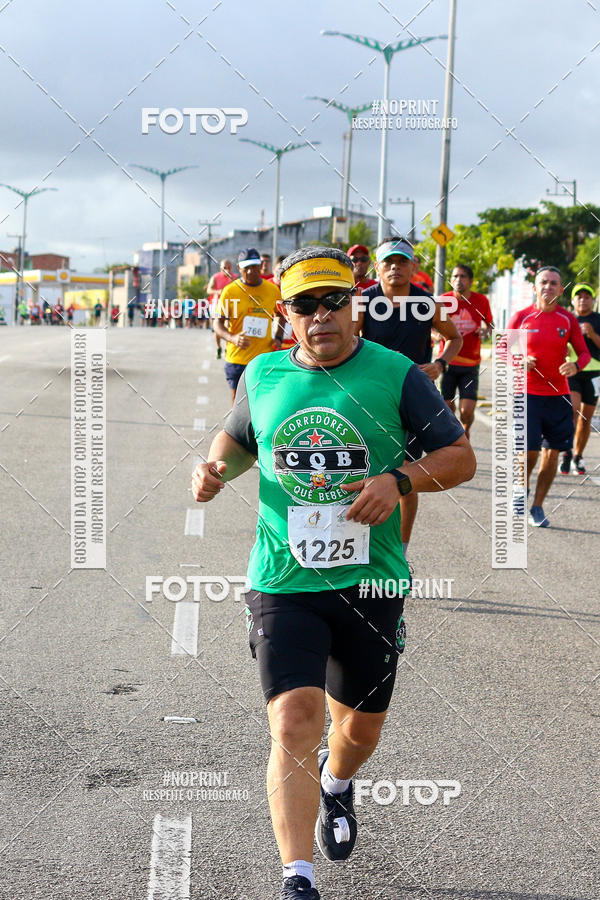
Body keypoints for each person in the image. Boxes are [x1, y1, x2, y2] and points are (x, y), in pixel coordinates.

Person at [191, 247, 476, 900]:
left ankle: (338, 784)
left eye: (333, 301)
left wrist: (398, 478)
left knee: (360, 729)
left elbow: (461, 458)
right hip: (282, 581)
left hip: (369, 584)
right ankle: (297, 879)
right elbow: (236, 443)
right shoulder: (261, 375)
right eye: (304, 304)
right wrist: (213, 472)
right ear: (287, 313)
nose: (320, 315)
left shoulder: (398, 375)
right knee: (294, 719)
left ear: (357, 307)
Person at [354, 237, 463, 557]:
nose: (395, 268)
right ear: (378, 266)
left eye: (402, 262)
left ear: (413, 267)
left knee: (403, 473)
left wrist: (440, 363)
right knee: (364, 469)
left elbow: (454, 338)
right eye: (388, 262)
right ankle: (357, 545)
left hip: (413, 398)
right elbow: (350, 342)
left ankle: (400, 549)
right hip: (372, 397)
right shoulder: (363, 300)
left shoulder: (427, 302)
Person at [506, 266, 590, 527]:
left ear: (561, 289)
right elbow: (504, 349)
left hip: (559, 396)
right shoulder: (522, 317)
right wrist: (520, 360)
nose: (548, 287)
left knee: (552, 454)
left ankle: (538, 507)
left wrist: (576, 366)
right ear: (535, 287)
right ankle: (521, 489)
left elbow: (584, 353)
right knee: (529, 452)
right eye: (544, 282)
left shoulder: (567, 319)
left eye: (554, 283)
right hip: (528, 393)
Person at [213, 248, 284, 402]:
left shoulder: (272, 290)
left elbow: (281, 315)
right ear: (239, 268)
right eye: (247, 268)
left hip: (263, 359)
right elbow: (217, 323)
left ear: (260, 266)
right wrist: (232, 338)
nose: (251, 271)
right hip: (237, 359)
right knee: (238, 404)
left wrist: (278, 337)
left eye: (254, 266)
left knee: (261, 402)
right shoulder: (230, 291)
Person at [439, 264, 494, 439]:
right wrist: (435, 335)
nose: (458, 280)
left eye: (463, 277)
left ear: (470, 281)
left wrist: (485, 331)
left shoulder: (481, 301)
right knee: (447, 407)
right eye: (455, 276)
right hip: (447, 362)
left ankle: (465, 429)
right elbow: (431, 327)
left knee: (467, 411)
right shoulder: (443, 301)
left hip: (471, 364)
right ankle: (456, 435)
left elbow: (490, 325)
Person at [560, 283, 600, 475]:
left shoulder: (597, 320)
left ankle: (578, 456)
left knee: (586, 419)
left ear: (592, 300)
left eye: (587, 297)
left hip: (594, 373)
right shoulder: (568, 320)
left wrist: (592, 334)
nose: (583, 300)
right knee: (572, 410)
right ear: (573, 300)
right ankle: (566, 451)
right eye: (579, 297)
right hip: (573, 370)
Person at [208, 259, 236, 359]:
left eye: (228, 267)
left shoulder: (235, 277)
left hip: (231, 305)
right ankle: (218, 347)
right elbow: (209, 290)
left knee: (228, 327)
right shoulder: (215, 277)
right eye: (224, 268)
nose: (227, 270)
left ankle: (227, 348)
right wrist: (218, 291)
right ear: (221, 268)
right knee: (217, 328)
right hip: (217, 305)